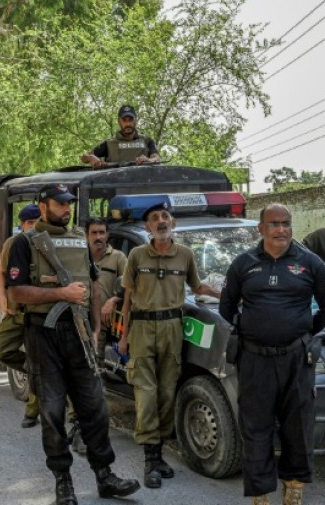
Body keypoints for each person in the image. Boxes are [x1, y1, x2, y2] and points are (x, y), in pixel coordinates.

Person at [7, 183, 140, 505]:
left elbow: (93, 286)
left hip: (79, 334)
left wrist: (95, 328)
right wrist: (60, 294)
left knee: (95, 408)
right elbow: (16, 293)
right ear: (43, 206)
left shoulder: (78, 239)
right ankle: (62, 482)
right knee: (52, 413)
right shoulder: (24, 243)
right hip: (43, 334)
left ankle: (105, 476)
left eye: (68, 204)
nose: (67, 209)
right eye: (60, 204)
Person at [219, 203, 325, 505]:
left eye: (286, 223)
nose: (281, 229)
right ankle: (259, 492)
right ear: (261, 228)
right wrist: (252, 329)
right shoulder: (243, 264)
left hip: (296, 359)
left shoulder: (309, 263)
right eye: (274, 223)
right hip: (254, 359)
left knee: (298, 425)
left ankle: (295, 485)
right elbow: (226, 307)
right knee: (255, 426)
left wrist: (303, 333)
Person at [117, 202, 220, 489]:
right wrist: (124, 335)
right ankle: (151, 458)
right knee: (146, 392)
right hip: (141, 328)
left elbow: (198, 287)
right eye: (154, 218)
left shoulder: (184, 255)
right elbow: (127, 297)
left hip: (173, 328)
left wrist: (228, 293)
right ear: (148, 227)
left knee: (167, 390)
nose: (161, 221)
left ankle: (159, 451)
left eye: (165, 216)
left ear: (172, 223)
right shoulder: (137, 256)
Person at [0, 204, 42, 428]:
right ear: (22, 225)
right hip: (16, 311)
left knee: (40, 357)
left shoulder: (45, 242)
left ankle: (32, 411)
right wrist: (3, 300)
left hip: (39, 312)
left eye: (37, 222)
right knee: (0, 350)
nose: (34, 227)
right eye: (30, 223)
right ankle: (35, 370)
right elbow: (1, 273)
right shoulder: (14, 243)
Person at [80, 105, 160, 168]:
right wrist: (91, 158)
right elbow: (84, 158)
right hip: (115, 186)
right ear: (119, 121)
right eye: (124, 120)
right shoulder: (109, 143)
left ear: (135, 121)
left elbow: (156, 158)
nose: (128, 124)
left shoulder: (147, 140)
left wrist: (148, 160)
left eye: (130, 120)